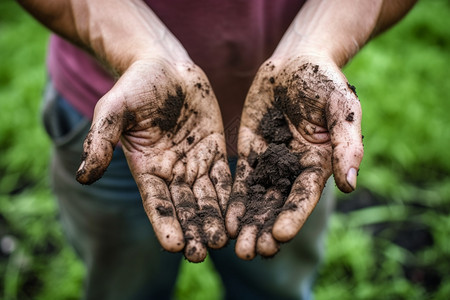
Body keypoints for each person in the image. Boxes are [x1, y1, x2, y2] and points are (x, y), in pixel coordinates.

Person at [18, 0, 416, 299]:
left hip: (294, 134)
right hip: (136, 127)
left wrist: (317, 43)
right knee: (124, 285)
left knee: (275, 285)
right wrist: (141, 49)